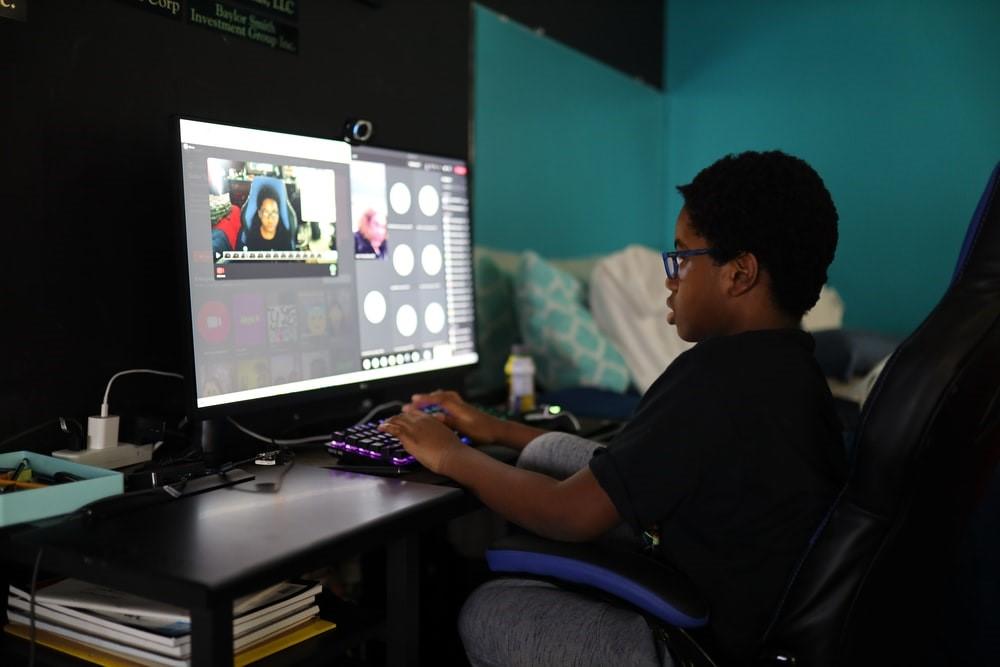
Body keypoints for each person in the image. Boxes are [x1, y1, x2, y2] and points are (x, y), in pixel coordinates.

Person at [379, 150, 848, 665]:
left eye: (682, 256)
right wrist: (496, 430)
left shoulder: (714, 377)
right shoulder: (789, 369)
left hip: (704, 649)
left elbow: (569, 515)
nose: (670, 278)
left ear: (738, 274)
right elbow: (632, 462)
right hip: (742, 607)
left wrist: (450, 456)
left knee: (489, 610)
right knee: (561, 457)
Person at [243, 185, 292, 251]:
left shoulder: (285, 237)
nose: (270, 218)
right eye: (266, 212)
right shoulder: (251, 238)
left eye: (274, 212)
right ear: (259, 213)